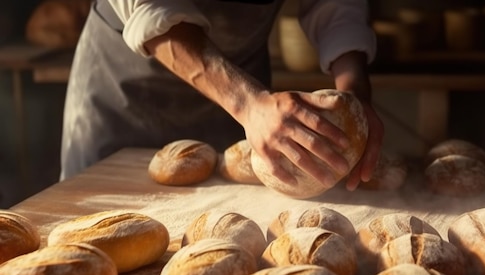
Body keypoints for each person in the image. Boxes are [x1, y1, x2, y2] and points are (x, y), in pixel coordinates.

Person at [60, 0, 384, 191]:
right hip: (125, 92)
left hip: (244, 105)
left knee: (224, 227)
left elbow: (335, 5)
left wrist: (352, 97)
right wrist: (246, 103)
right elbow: (151, 8)